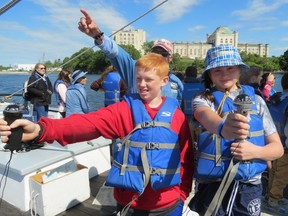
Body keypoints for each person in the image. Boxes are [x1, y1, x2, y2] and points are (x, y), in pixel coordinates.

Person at [0, 53, 194, 216]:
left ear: (164, 81)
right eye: (138, 79)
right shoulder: (124, 110)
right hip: (131, 205)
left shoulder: (177, 116)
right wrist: (40, 130)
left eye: (149, 79)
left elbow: (186, 157)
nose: (142, 84)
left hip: (169, 204)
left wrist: (182, 195)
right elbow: (86, 123)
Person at [188, 44, 283, 216]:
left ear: (239, 70)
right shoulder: (202, 100)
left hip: (249, 188)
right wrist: (224, 127)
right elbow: (204, 116)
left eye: (230, 68)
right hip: (212, 185)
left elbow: (277, 149)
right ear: (209, 74)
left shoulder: (258, 101)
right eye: (217, 70)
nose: (224, 74)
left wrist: (255, 151)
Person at [78, 9, 184, 106]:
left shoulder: (176, 82)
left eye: (163, 54)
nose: (158, 57)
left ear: (170, 58)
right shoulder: (134, 69)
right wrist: (98, 36)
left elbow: (178, 108)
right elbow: (116, 53)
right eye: (155, 52)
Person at [266, 72, 288, 215]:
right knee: (282, 175)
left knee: (274, 172)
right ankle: (274, 200)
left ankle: (270, 196)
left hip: (273, 143)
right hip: (285, 146)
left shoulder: (277, 98)